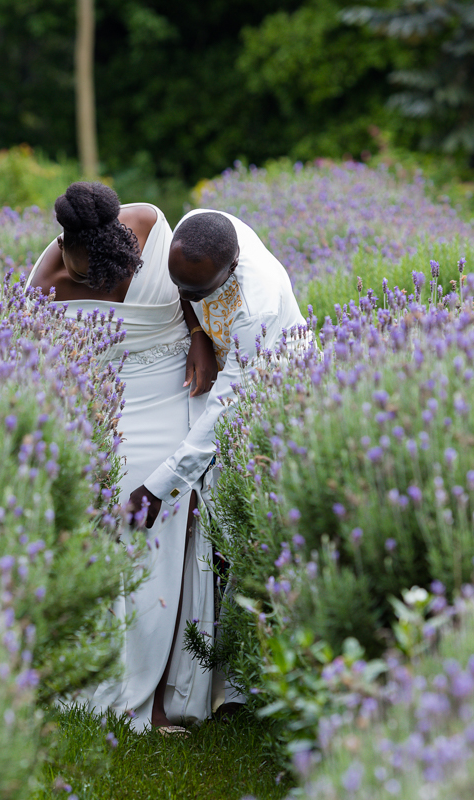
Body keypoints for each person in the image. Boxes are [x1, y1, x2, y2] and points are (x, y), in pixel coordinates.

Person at [27, 182, 218, 733]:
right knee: (114, 541)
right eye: (82, 275)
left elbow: (190, 285)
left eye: (99, 273)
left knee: (169, 539)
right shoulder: (43, 284)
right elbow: (38, 370)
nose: (89, 281)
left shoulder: (154, 226)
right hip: (105, 407)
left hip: (172, 394)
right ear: (62, 246)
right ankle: (108, 679)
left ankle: (161, 688)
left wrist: (200, 333)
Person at [124, 209, 310, 711]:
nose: (185, 296)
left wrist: (157, 485)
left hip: (271, 390)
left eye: (197, 291)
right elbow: (183, 293)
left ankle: (243, 687)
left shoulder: (259, 306)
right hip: (225, 366)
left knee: (240, 534)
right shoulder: (197, 233)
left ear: (230, 269)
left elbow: (226, 413)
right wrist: (200, 334)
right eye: (180, 284)